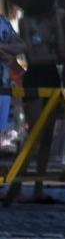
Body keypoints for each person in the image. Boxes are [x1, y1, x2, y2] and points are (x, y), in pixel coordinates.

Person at [11, 0, 65, 202]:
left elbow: (62, 52)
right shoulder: (27, 22)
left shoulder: (54, 23)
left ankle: (38, 186)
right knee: (33, 133)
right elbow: (31, 56)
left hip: (51, 76)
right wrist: (49, 55)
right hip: (34, 75)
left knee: (47, 136)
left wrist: (59, 25)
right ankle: (17, 182)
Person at [0, 11, 26, 151]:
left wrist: (2, 48)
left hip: (3, 87)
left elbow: (22, 46)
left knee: (2, 135)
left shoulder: (3, 22)